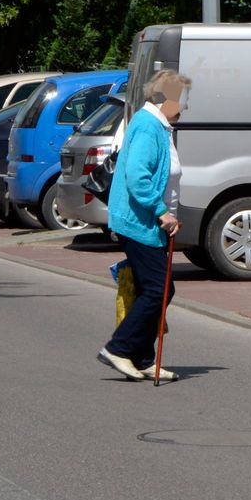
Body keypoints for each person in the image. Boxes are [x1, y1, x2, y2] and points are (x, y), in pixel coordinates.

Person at [98, 68, 191, 382]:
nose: (185, 107)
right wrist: (162, 211)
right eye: (182, 100)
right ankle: (120, 348)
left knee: (153, 289)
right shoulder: (149, 126)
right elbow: (138, 176)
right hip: (140, 223)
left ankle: (141, 357)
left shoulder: (156, 125)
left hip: (147, 223)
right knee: (159, 289)